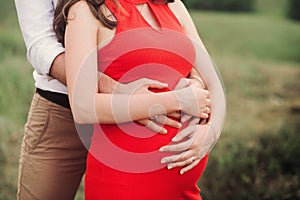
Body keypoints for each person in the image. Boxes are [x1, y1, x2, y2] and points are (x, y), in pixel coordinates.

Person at [14, 0, 223, 199]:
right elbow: (40, 44)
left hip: (174, 181)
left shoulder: (170, 7)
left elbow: (201, 68)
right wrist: (118, 89)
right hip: (61, 106)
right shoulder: (84, 12)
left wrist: (196, 85)